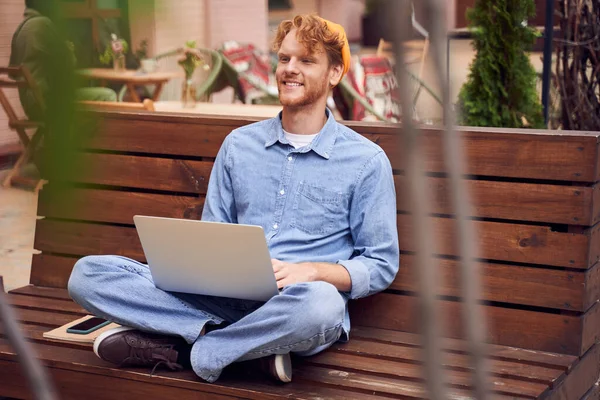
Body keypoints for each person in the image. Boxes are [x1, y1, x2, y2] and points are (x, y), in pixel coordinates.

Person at [67, 14, 399, 383]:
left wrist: (311, 271)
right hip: (221, 299)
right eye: (285, 58)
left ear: (334, 73)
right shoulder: (239, 146)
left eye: (306, 60)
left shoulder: (366, 161)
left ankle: (188, 349)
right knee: (88, 274)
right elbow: (214, 233)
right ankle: (245, 351)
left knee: (320, 307)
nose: (290, 69)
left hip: (294, 306)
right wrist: (196, 266)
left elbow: (381, 263)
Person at [9, 0, 116, 120]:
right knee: (108, 95)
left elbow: (12, 74)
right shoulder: (43, 24)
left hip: (31, 107)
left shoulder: (21, 29)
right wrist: (69, 49)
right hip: (50, 105)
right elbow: (69, 63)